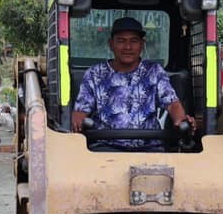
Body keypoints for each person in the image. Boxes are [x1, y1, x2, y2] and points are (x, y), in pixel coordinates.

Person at [71, 17, 194, 151]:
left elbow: (172, 104)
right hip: (105, 147)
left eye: (133, 41)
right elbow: (81, 111)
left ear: (142, 44)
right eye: (121, 41)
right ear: (111, 44)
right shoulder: (95, 74)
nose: (128, 47)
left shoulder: (154, 71)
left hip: (150, 147)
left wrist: (181, 120)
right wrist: (77, 121)